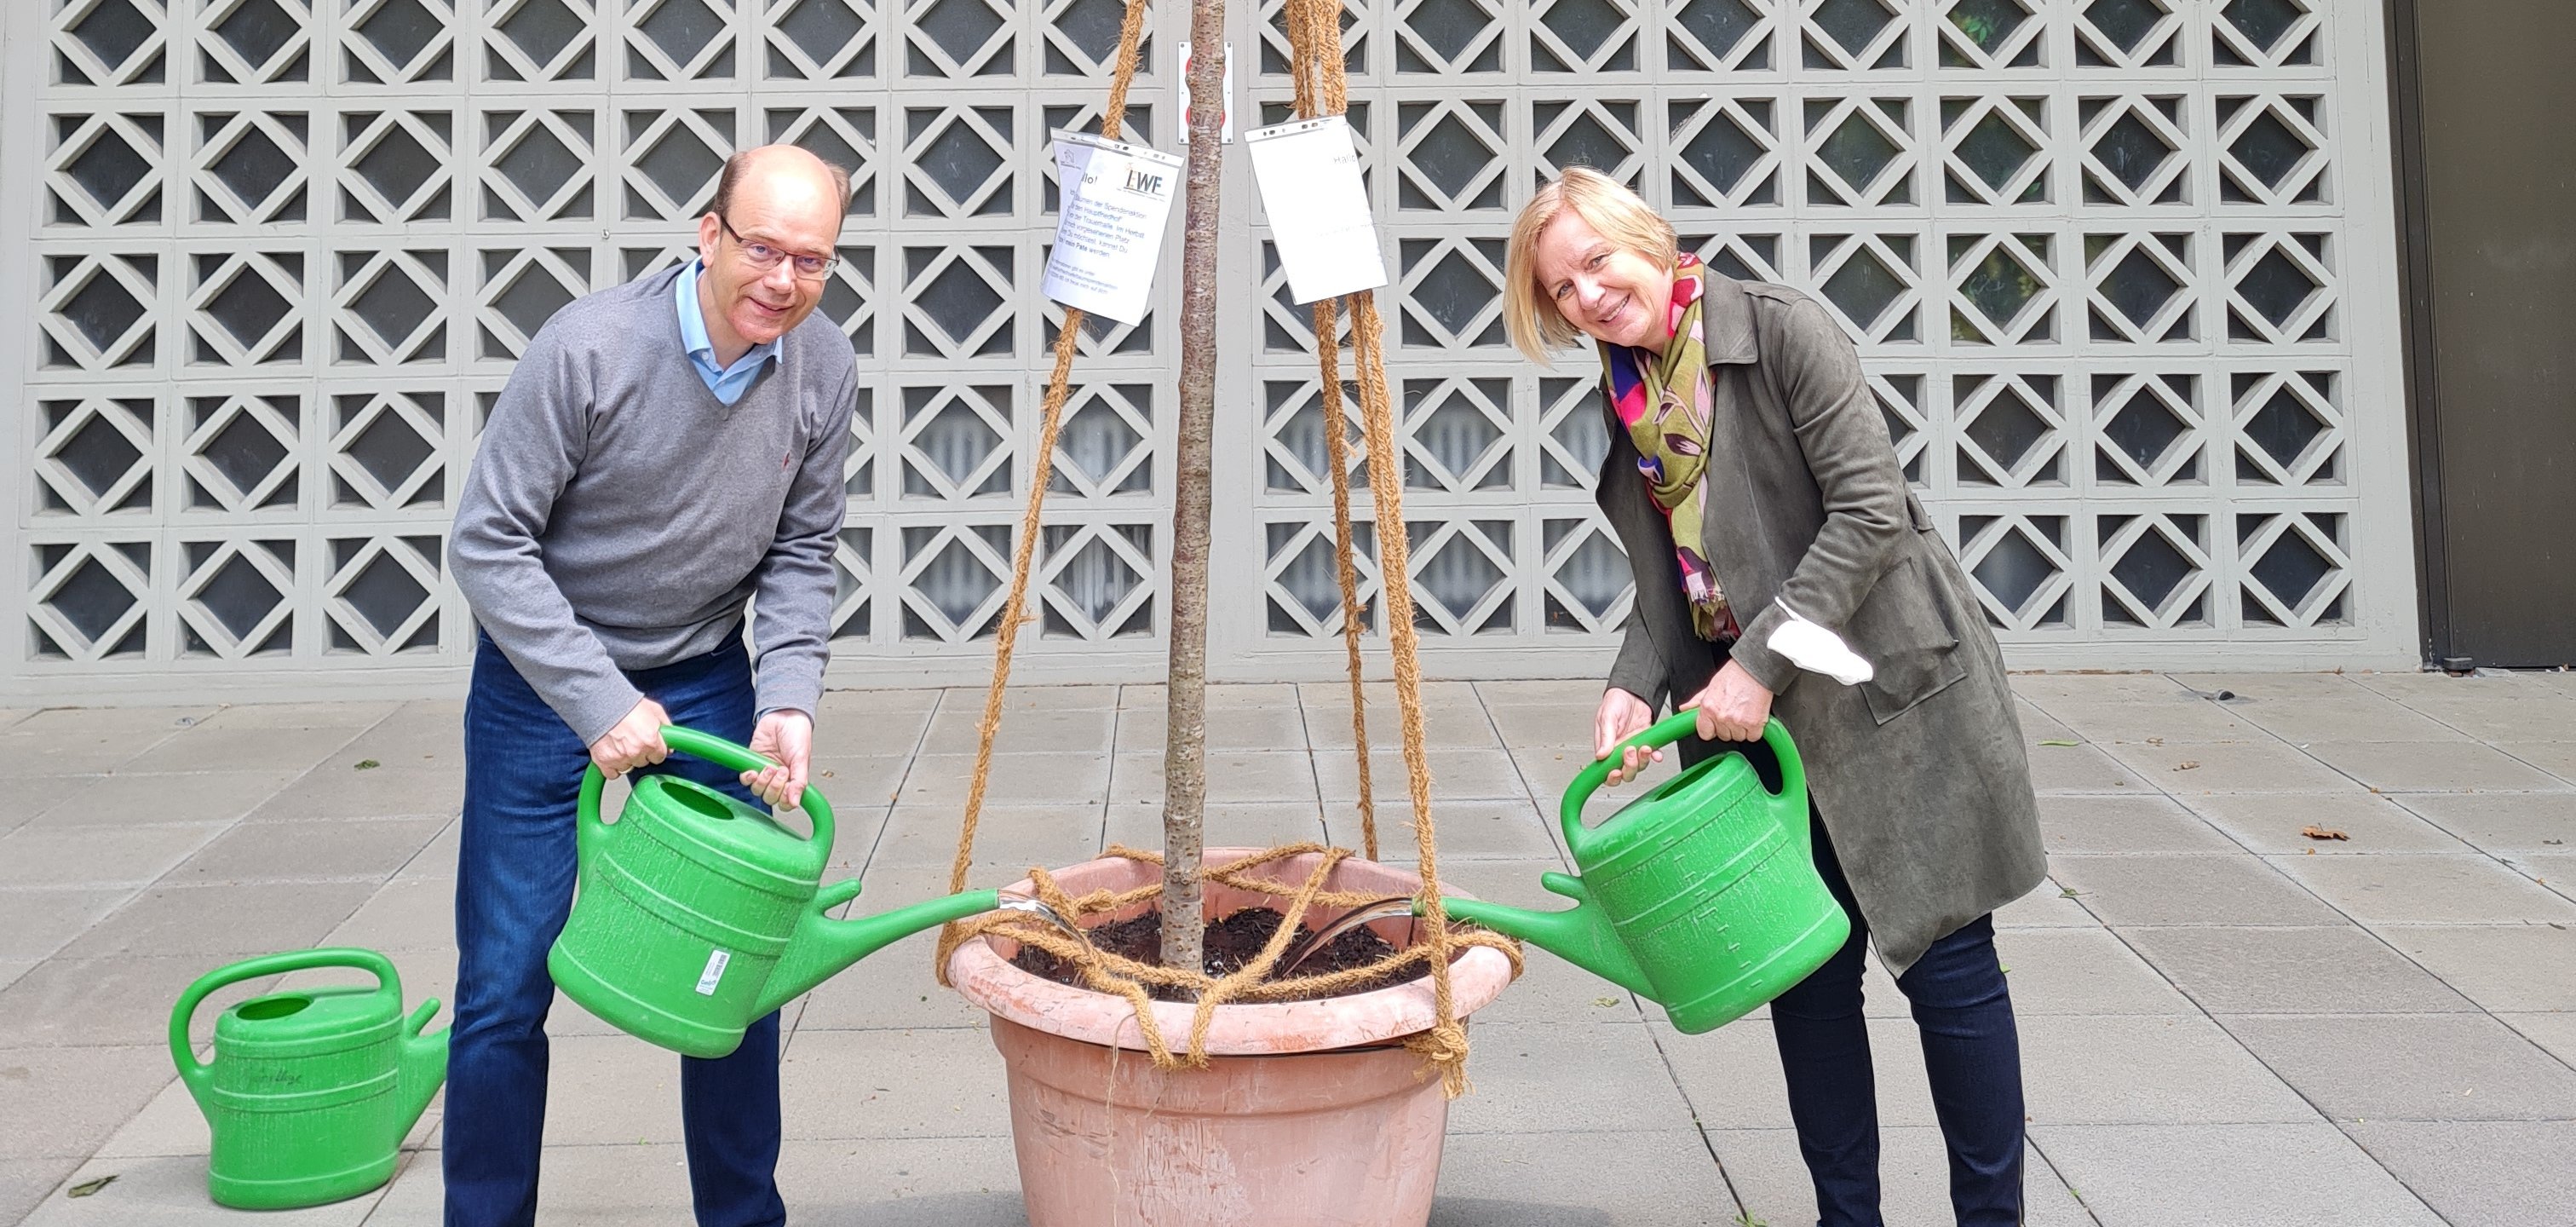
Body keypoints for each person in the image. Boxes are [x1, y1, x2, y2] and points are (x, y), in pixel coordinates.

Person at [1503, 167, 2047, 1227]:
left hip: (1887, 696)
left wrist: (1751, 666)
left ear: (1649, 239)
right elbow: (1688, 569)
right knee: (1805, 979)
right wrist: (1631, 682)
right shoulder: (1633, 390)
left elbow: (1870, 514)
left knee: (1948, 973)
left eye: (1597, 262)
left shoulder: (1784, 330)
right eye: (1562, 291)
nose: (1588, 298)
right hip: (1749, 728)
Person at [443, 144, 858, 1227]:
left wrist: (790, 695)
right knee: (501, 986)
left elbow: (805, 551)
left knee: (734, 972)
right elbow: (489, 546)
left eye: (811, 261)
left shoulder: (823, 365)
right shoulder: (587, 349)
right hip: (547, 684)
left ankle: (741, 1216)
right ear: (707, 233)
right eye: (762, 248)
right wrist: (597, 702)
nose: (783, 281)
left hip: (708, 678)